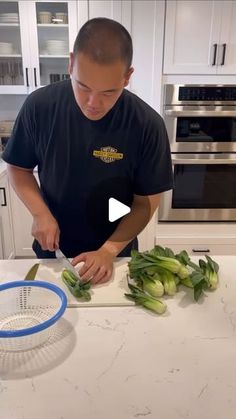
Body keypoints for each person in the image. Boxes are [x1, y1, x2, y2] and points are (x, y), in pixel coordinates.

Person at [2, 17, 173, 285]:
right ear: (70, 64)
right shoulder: (39, 107)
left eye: (109, 92)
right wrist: (40, 213)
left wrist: (108, 250)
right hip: (52, 252)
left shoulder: (146, 125)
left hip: (116, 254)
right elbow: (18, 167)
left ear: (127, 77)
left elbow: (145, 203)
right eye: (83, 86)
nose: (93, 103)